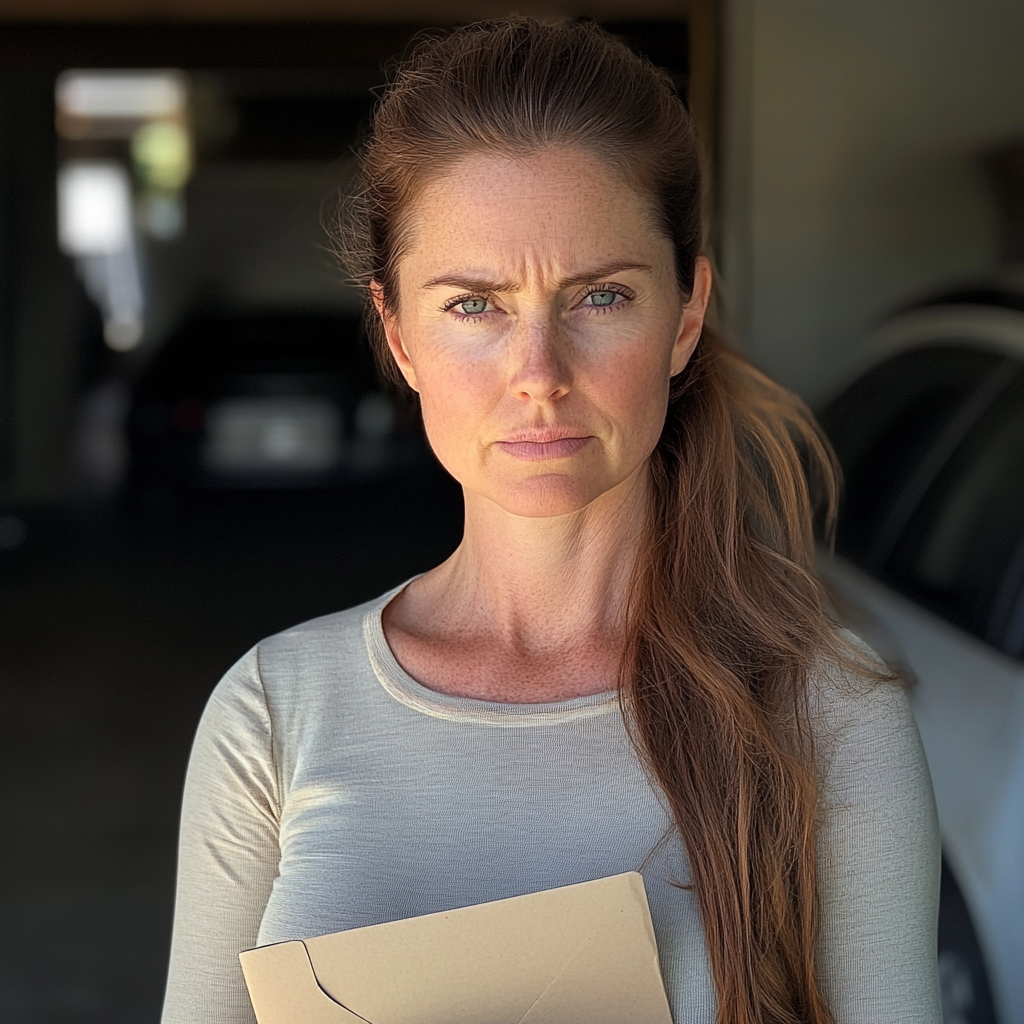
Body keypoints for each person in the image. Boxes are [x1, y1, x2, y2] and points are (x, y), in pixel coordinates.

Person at [161, 18, 941, 1024]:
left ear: (685, 316)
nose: (539, 376)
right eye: (474, 307)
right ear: (398, 334)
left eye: (600, 296)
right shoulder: (273, 712)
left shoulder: (825, 713)